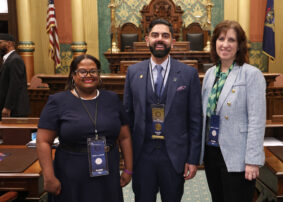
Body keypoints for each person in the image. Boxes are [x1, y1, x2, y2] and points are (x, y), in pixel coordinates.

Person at [123, 18, 202, 202]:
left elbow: (195, 120)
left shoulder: (188, 74)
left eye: (165, 36)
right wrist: (127, 159)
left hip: (174, 155)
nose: (160, 39)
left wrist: (192, 158)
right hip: (142, 155)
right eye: (155, 35)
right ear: (147, 40)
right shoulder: (133, 72)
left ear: (172, 42)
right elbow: (127, 117)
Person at [36, 54, 133, 202]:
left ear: (99, 75)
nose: (88, 75)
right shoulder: (57, 101)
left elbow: (125, 137)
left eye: (93, 71)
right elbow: (43, 141)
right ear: (73, 76)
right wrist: (49, 177)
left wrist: (128, 169)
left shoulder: (112, 99)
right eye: (82, 71)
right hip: (71, 173)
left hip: (107, 171)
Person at [200, 20, 266, 202]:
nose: (225, 44)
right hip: (212, 152)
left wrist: (252, 160)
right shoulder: (210, 74)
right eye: (221, 39)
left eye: (231, 40)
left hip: (237, 156)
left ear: (239, 46)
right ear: (215, 43)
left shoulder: (251, 74)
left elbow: (256, 120)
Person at [0, 33, 29, 120]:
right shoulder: (8, 59)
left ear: (9, 43)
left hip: (14, 110)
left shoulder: (15, 60)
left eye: (0, 42)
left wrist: (8, 107)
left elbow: (15, 85)